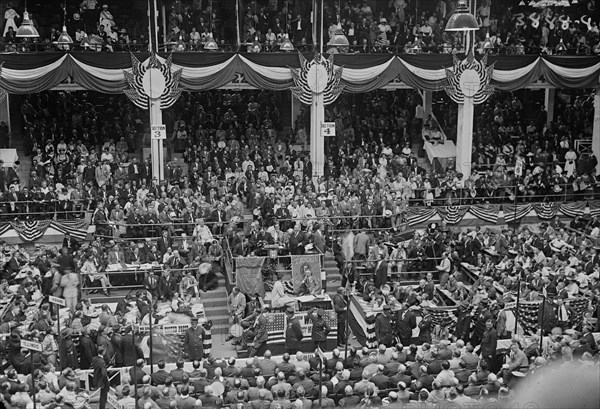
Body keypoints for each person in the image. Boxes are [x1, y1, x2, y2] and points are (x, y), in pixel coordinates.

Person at [92, 345, 110, 409]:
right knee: (103, 396)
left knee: (102, 395)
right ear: (104, 352)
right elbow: (104, 373)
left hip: (96, 378)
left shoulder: (94, 359)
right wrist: (106, 381)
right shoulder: (102, 361)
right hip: (102, 380)